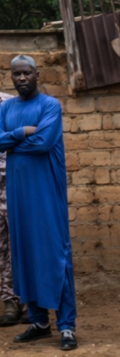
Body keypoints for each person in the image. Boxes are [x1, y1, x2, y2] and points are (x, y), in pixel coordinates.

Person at [0, 55, 77, 351]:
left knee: (55, 255)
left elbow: (44, 142)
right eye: (16, 74)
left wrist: (11, 144)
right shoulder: (6, 108)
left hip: (46, 193)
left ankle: (67, 325)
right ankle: (39, 323)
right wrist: (20, 133)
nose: (21, 78)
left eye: (27, 73)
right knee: (25, 256)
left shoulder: (49, 106)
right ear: (11, 77)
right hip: (18, 194)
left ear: (37, 74)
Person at [0, 89, 24, 327]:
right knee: (0, 247)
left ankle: (28, 300)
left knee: (21, 242)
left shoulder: (13, 104)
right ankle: (9, 300)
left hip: (13, 180)